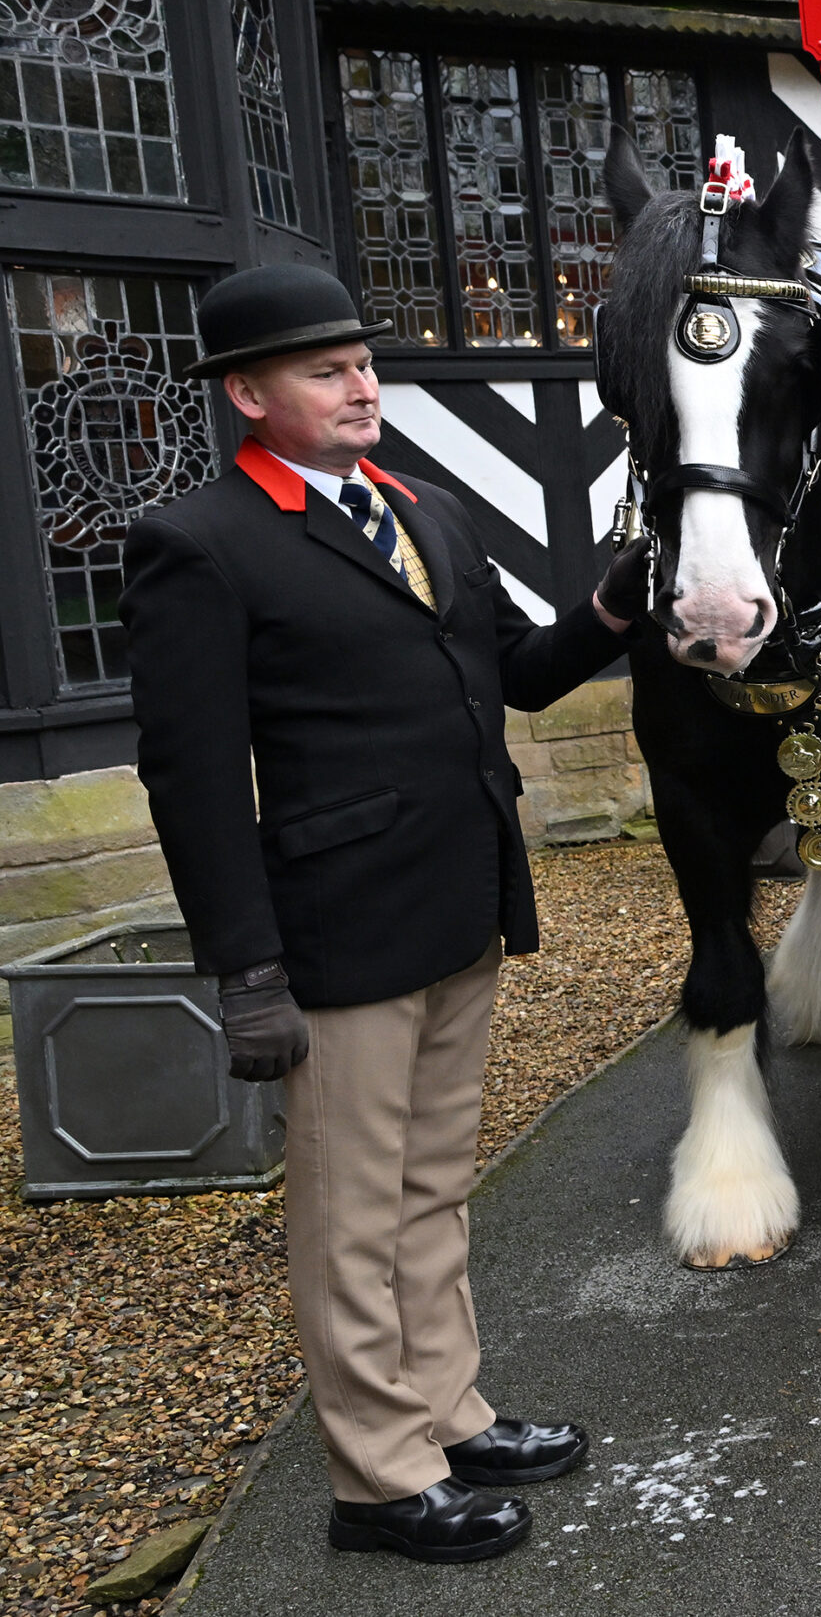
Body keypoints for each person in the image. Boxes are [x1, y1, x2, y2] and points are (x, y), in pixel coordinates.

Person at [121, 266, 651, 1564]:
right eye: (326, 369)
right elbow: (192, 775)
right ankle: (377, 1477)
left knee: (429, 1190)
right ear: (249, 396)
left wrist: (614, 605)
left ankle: (446, 1413)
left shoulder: (431, 513)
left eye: (364, 361)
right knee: (352, 1210)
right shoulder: (202, 544)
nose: (362, 384)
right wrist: (245, 967)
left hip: (460, 905)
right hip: (338, 934)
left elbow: (517, 678)